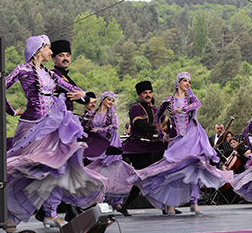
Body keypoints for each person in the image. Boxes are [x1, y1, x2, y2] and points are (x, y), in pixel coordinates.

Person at [5, 35, 106, 230]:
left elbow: (70, 87)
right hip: (33, 127)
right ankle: (11, 218)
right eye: (49, 48)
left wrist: (84, 96)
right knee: (27, 171)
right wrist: (10, 111)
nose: (51, 52)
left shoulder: (49, 73)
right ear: (39, 49)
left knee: (58, 167)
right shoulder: (22, 70)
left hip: (53, 127)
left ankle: (51, 214)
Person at [131, 72, 232, 215]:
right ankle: (170, 204)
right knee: (173, 171)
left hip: (191, 139)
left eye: (189, 82)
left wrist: (184, 109)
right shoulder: (169, 100)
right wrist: (161, 134)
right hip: (176, 141)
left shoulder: (190, 99)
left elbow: (198, 104)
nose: (187, 84)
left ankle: (194, 202)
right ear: (178, 82)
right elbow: (158, 116)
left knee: (195, 167)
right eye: (185, 81)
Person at [118, 81, 167, 216]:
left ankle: (165, 206)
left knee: (152, 176)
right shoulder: (135, 109)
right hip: (136, 147)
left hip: (152, 146)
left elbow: (167, 123)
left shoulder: (156, 111)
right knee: (145, 176)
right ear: (140, 95)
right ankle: (164, 206)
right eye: (145, 93)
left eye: (150, 92)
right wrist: (158, 127)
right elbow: (141, 125)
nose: (148, 95)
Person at [83, 92, 137, 208]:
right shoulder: (92, 114)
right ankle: (95, 197)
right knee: (96, 168)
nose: (111, 102)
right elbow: (85, 123)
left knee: (110, 169)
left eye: (112, 100)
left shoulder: (112, 114)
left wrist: (99, 130)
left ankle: (115, 201)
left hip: (110, 142)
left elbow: (115, 126)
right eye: (109, 99)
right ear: (103, 99)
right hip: (96, 143)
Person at [50, 39, 89, 112]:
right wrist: (83, 96)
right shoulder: (53, 74)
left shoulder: (67, 77)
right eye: (61, 56)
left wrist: (83, 96)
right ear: (54, 59)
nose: (65, 58)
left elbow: (83, 98)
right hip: (56, 115)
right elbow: (77, 93)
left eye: (67, 55)